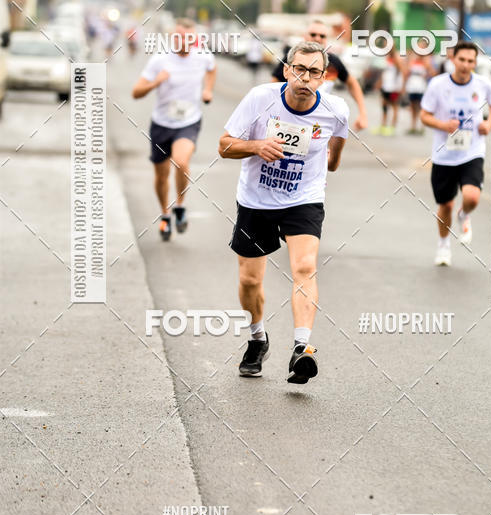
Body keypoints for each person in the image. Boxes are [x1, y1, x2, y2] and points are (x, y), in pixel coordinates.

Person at [219, 41, 349, 384]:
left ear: (324, 77)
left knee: (305, 266)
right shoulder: (260, 99)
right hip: (256, 200)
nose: (305, 78)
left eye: (314, 72)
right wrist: (257, 146)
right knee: (250, 280)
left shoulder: (336, 110)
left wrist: (326, 162)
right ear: (287, 70)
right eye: (300, 69)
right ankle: (257, 338)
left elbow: (335, 153)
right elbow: (224, 145)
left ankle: (301, 348)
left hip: (302, 198)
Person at [132, 19, 216, 240]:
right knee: (161, 176)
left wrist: (207, 90)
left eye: (190, 37)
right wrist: (155, 83)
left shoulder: (203, 56)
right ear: (172, 37)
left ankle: (179, 206)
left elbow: (212, 69)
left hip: (188, 121)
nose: (185, 42)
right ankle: (165, 214)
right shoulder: (159, 60)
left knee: (181, 161)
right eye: (179, 37)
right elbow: (136, 92)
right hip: (161, 123)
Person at [420, 41, 491, 266]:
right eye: (462, 60)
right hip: (444, 154)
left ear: (475, 62)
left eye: (471, 61)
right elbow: (425, 115)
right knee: (446, 205)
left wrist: (488, 124)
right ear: (453, 59)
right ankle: (443, 245)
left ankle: (465, 214)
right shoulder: (438, 84)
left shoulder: (482, 84)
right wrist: (443, 125)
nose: (466, 65)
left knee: (472, 196)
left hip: (472, 151)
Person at [271, 20, 368, 131]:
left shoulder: (334, 62)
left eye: (322, 36)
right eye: (313, 34)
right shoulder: (293, 59)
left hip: (319, 121)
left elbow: (352, 83)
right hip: (290, 117)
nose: (317, 38)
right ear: (304, 36)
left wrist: (363, 114)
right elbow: (273, 85)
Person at [402, 41, 435, 133]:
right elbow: (406, 72)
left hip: (422, 86)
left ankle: (422, 127)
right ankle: (413, 126)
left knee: (421, 107)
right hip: (412, 85)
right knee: (412, 106)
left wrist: (426, 63)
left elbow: (432, 73)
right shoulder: (412, 58)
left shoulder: (427, 59)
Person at [376, 48, 403, 135]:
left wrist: (400, 87)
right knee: (384, 105)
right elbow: (384, 72)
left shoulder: (397, 58)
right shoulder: (387, 58)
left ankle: (392, 127)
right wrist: (380, 82)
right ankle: (383, 125)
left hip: (394, 87)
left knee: (394, 106)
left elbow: (401, 71)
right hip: (386, 86)